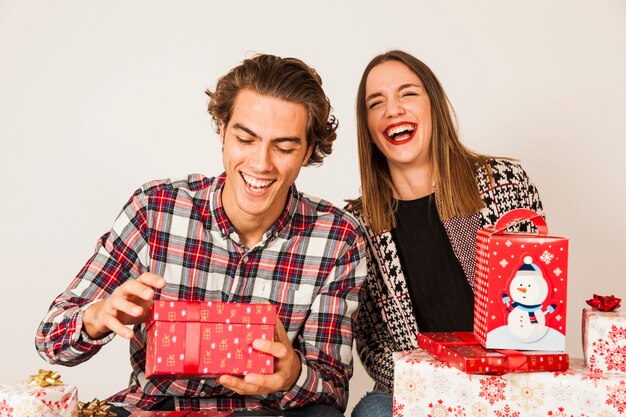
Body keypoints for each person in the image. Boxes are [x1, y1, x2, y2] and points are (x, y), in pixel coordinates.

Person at [36, 54, 366, 417]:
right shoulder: (155, 209)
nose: (261, 163)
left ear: (307, 152)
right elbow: (50, 340)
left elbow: (332, 390)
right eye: (246, 139)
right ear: (222, 130)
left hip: (270, 412)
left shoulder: (337, 237)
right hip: (156, 408)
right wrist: (96, 317)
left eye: (284, 148)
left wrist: (292, 375)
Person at [346, 50, 543, 417]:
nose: (393, 109)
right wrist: (436, 385)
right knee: (373, 411)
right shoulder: (357, 225)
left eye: (407, 93)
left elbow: (535, 301)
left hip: (509, 381)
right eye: (377, 102)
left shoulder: (503, 183)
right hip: (418, 389)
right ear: (369, 128)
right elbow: (372, 344)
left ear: (433, 105)